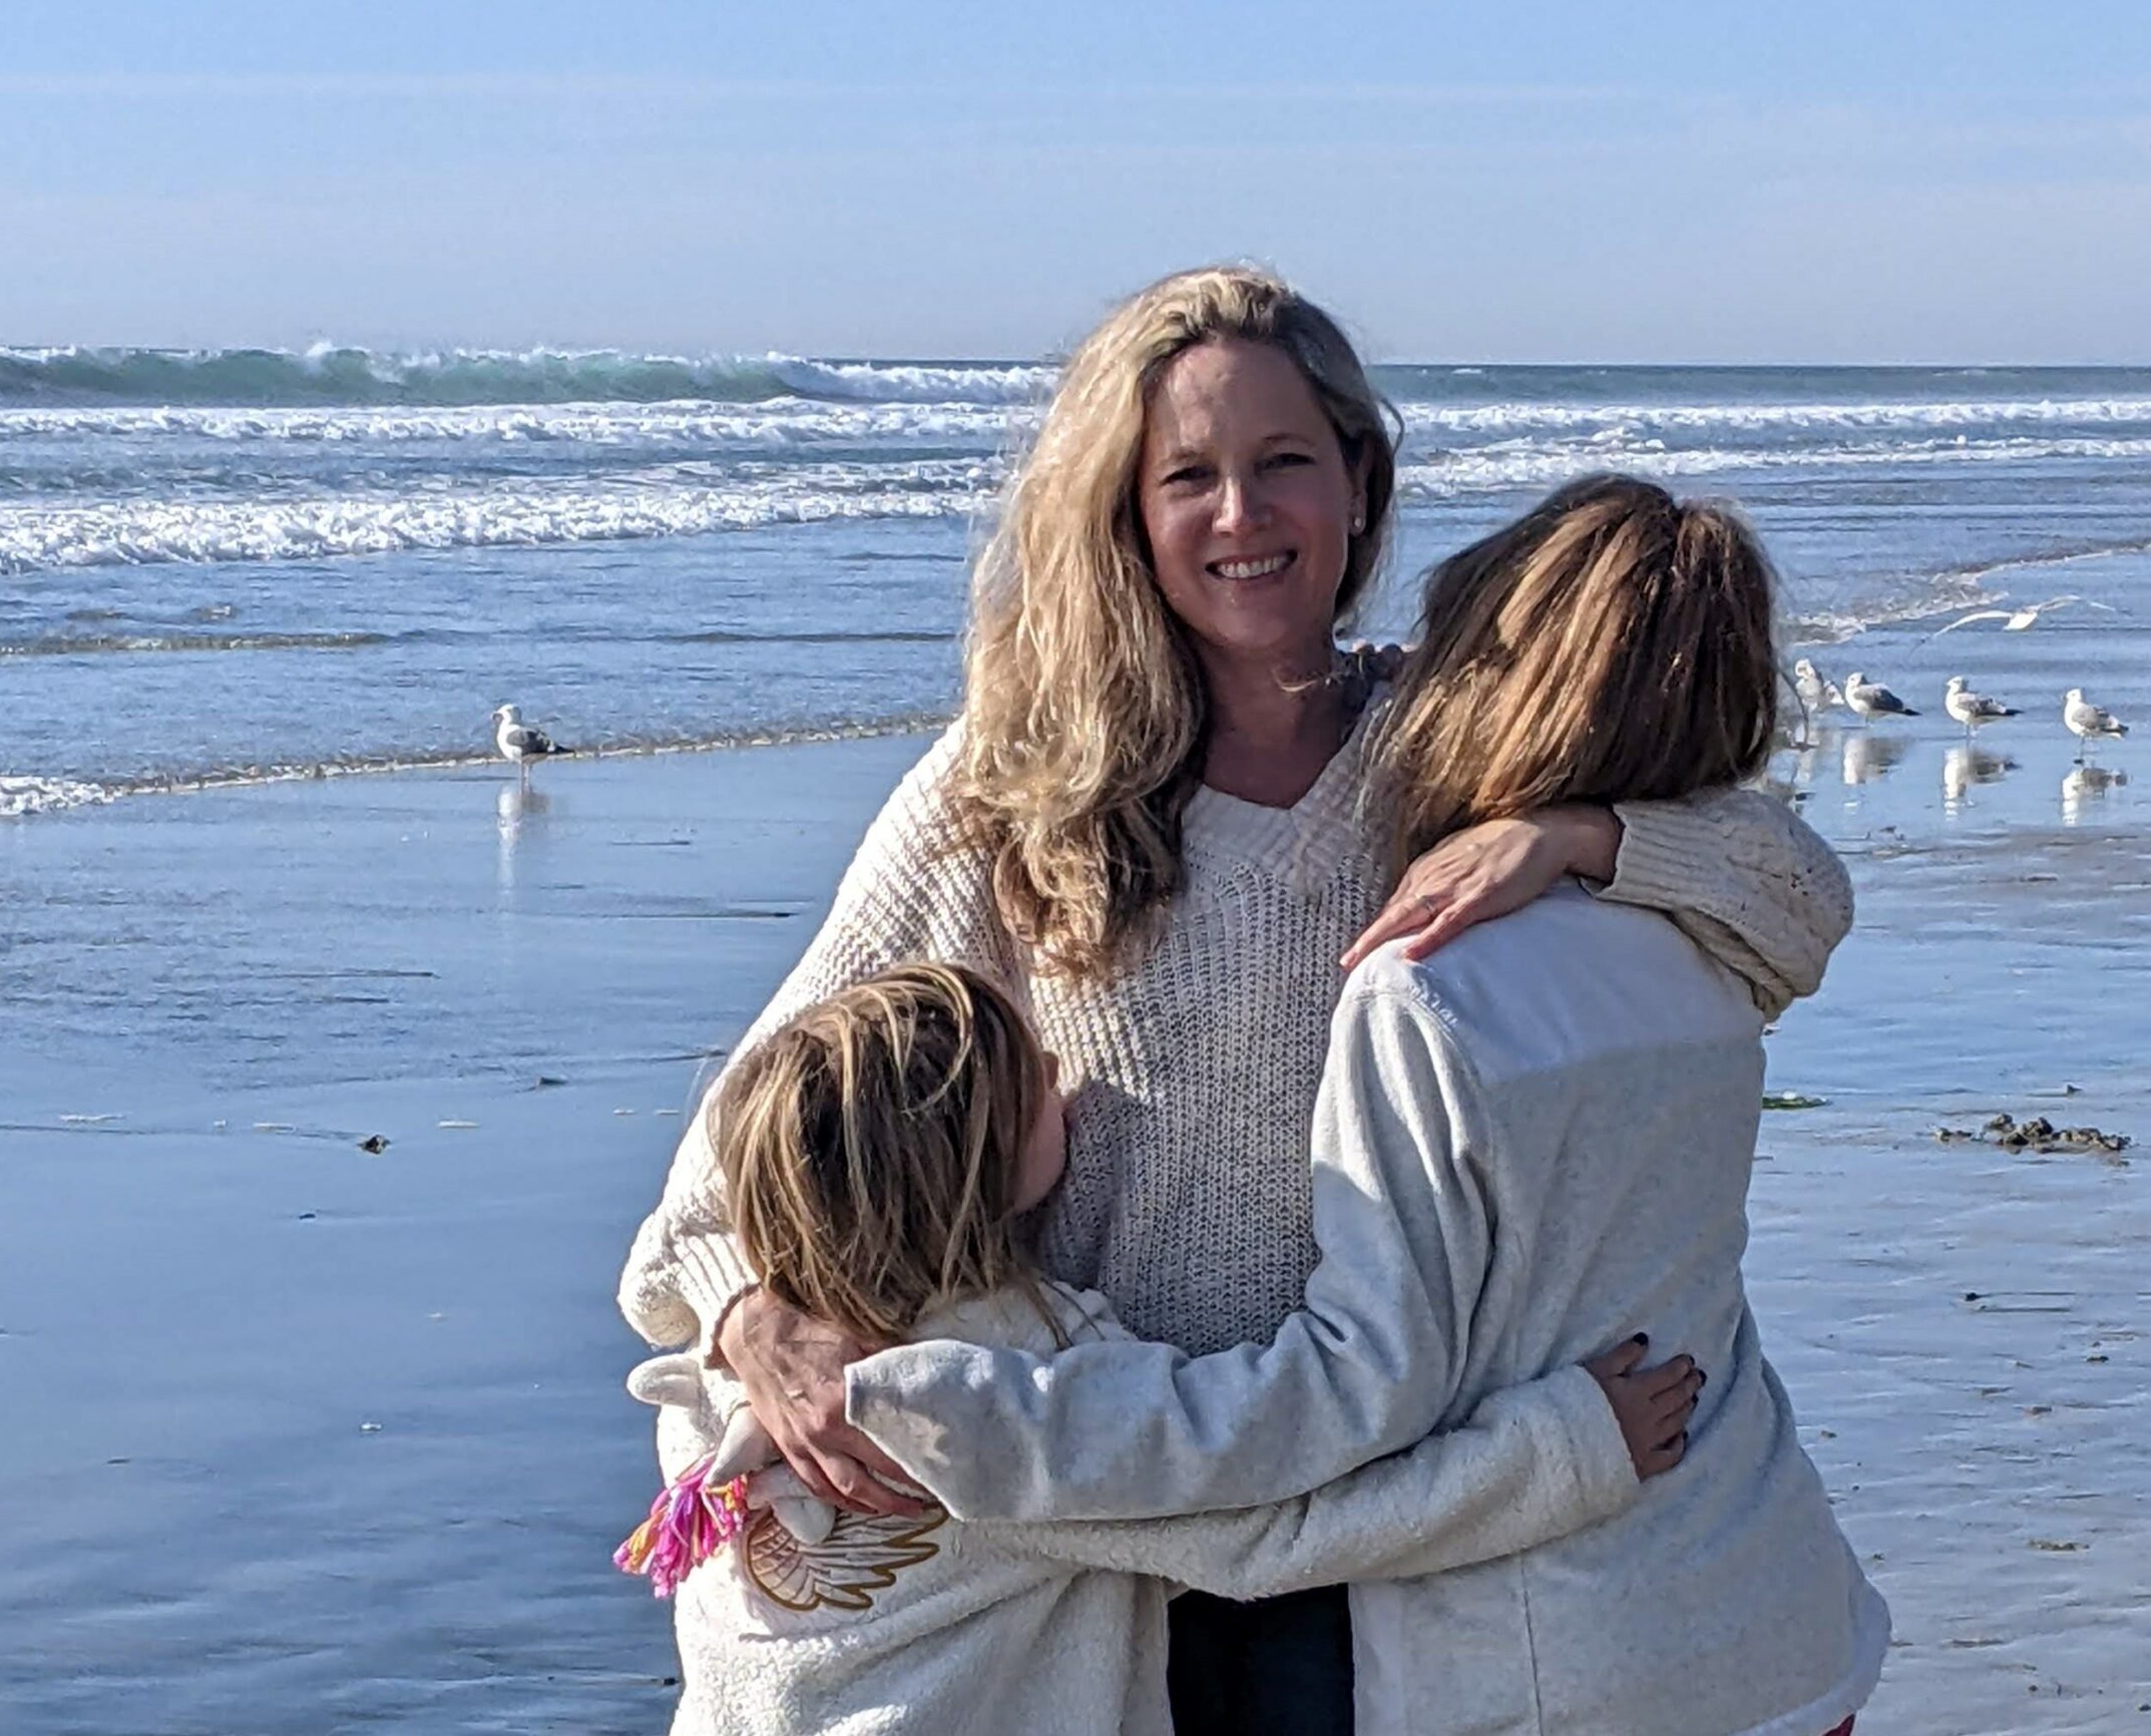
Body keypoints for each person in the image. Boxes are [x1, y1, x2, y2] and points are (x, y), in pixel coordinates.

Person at [621, 266, 1853, 1733]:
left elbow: (1791, 898)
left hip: (1384, 1519)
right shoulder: (1013, 792)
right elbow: (753, 1138)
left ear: (1358, 481)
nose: (1241, 516)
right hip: (1096, 1521)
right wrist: (755, 1316)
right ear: (1125, 518)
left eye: (1284, 465)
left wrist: (1586, 836)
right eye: (1186, 476)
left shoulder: (1452, 761)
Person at [842, 478, 1889, 1736]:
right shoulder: (1709, 945)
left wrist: (975, 1433)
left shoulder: (1429, 990)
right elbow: (1796, 887)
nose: (1413, 677)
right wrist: (1586, 837)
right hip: (1772, 1610)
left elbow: (1366, 1386)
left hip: (1543, 1652)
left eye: (1452, 647)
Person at [624, 961, 1701, 1736]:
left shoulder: (711, 1378)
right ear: (977, 1169)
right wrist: (1562, 1452)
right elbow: (1274, 1532)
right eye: (1031, 1081)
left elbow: (654, 1279)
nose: (1062, 1069)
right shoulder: (1013, 1391)